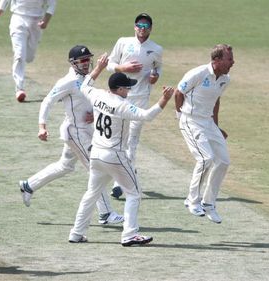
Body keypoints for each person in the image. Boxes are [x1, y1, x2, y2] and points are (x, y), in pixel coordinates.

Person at [69, 53, 174, 246]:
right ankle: (129, 235)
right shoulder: (122, 105)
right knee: (134, 193)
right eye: (126, 88)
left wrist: (99, 68)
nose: (129, 91)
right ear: (118, 89)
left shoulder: (98, 95)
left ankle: (76, 233)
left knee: (91, 194)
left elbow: (84, 85)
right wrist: (165, 99)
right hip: (115, 156)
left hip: (97, 155)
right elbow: (148, 115)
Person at [18, 45, 123, 225]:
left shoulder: (85, 78)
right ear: (73, 63)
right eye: (82, 61)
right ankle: (105, 213)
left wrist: (94, 113)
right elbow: (47, 101)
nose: (85, 63)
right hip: (75, 132)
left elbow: (87, 96)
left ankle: (29, 185)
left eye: (87, 60)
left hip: (84, 130)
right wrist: (41, 126)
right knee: (97, 168)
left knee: (64, 166)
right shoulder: (67, 81)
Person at [174, 44, 235, 224]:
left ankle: (209, 203)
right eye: (229, 59)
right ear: (216, 60)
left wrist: (216, 127)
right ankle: (192, 201)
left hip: (208, 122)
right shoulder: (199, 73)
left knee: (223, 161)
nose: (233, 62)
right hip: (190, 119)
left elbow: (215, 101)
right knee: (205, 159)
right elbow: (178, 93)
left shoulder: (225, 79)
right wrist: (180, 116)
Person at [106, 13, 163, 198]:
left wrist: (154, 77)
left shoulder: (156, 49)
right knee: (118, 136)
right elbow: (109, 64)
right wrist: (123, 69)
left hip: (140, 97)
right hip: (119, 95)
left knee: (132, 140)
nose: (142, 28)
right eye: (139, 25)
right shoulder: (123, 42)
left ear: (151, 28)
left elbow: (157, 69)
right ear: (134, 26)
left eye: (146, 25)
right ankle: (126, 171)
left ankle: (119, 183)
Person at [0, 0, 57, 102]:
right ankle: (19, 88)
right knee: (19, 55)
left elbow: (52, 4)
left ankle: (22, 67)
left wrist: (46, 20)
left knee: (29, 57)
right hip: (18, 18)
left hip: (37, 22)